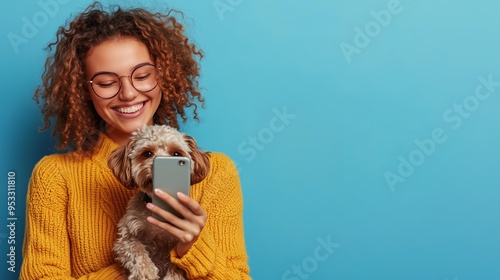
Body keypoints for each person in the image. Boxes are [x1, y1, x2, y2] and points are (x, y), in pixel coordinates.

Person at [20, 2, 251, 279]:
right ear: (84, 90)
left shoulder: (217, 173)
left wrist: (193, 247)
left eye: (142, 76)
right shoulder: (55, 176)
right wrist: (142, 265)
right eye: (106, 82)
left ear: (164, 76)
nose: (128, 94)